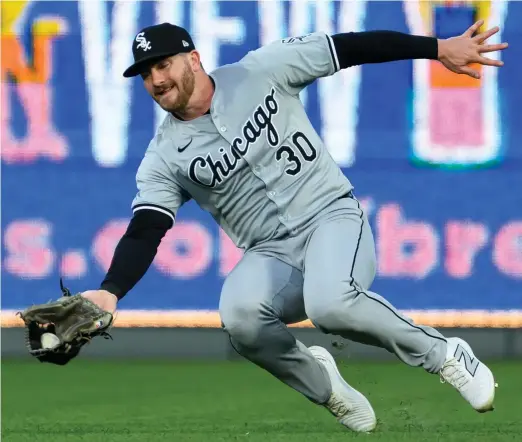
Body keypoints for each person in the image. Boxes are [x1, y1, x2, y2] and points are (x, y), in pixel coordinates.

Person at [81, 21, 507, 432]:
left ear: (193, 59)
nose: (155, 79)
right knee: (241, 318)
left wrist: (437, 48)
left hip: (331, 218)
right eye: (146, 73)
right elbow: (146, 228)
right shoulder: (164, 157)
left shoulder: (262, 69)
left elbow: (351, 47)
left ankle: (446, 355)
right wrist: (110, 289)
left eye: (163, 64)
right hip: (269, 252)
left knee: (331, 304)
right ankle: (327, 388)